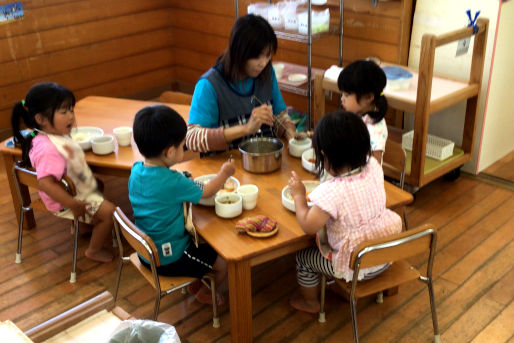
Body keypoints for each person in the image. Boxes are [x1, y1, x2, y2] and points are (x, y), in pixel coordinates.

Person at [288, 111, 402, 314]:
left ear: (323, 155)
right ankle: (341, 285)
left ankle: (310, 302)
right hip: (385, 255)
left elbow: (308, 225)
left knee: (303, 258)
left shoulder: (333, 192)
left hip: (357, 267)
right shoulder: (374, 166)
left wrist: (298, 195)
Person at [129, 104, 235, 305]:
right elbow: (207, 191)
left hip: (147, 252)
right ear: (169, 152)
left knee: (203, 241)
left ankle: (195, 281)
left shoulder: (136, 170)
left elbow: (163, 192)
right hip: (169, 260)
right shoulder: (173, 181)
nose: (184, 149)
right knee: (222, 260)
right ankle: (203, 292)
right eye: (182, 146)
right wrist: (225, 173)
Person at [11, 82, 115, 262]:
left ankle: (82, 227)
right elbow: (46, 182)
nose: (71, 116)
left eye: (71, 110)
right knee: (110, 214)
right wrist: (73, 204)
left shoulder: (43, 136)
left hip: (70, 190)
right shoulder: (49, 149)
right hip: (65, 199)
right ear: (41, 119)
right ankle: (93, 250)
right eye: (63, 111)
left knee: (99, 184)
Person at [186, 14, 299, 154]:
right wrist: (245, 128)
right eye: (257, 56)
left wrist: (290, 132)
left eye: (268, 55)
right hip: (226, 168)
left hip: (266, 160)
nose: (263, 63)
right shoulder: (209, 85)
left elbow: (280, 116)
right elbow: (192, 139)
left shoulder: (267, 73)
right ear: (238, 52)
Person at [338, 59, 388, 162]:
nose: (342, 98)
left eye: (346, 95)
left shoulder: (375, 129)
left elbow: (375, 167)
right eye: (342, 94)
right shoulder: (357, 115)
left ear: (369, 97)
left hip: (364, 177)